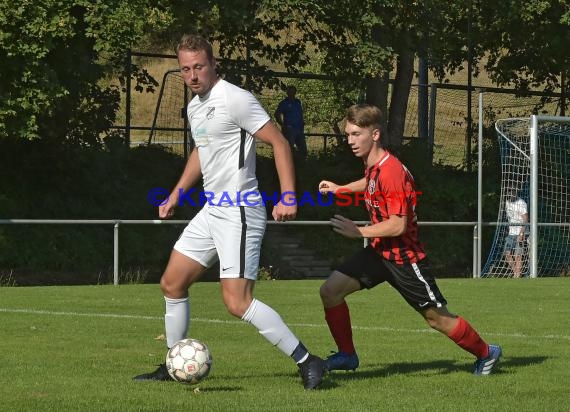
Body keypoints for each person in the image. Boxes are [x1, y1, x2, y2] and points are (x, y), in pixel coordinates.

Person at [133, 34, 325, 390]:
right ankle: (174, 362)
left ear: (213, 64)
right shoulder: (194, 106)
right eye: (185, 69)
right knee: (172, 284)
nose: (192, 75)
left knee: (237, 302)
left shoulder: (235, 99)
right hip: (212, 210)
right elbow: (201, 153)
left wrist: (288, 196)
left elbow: (280, 143)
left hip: (239, 210)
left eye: (199, 67)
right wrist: (176, 194)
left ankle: (307, 361)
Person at [317, 104, 502, 376]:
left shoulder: (391, 171)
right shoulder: (373, 165)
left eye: (357, 134)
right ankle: (347, 355)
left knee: (437, 319)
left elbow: (398, 224)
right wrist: (341, 189)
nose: (350, 141)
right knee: (330, 291)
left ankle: (487, 353)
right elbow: (369, 183)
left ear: (375, 134)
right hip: (380, 253)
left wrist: (360, 232)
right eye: (348, 134)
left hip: (404, 257)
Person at [274, 85, 307, 157]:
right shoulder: (284, 103)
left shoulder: (298, 102)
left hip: (299, 129)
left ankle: (302, 165)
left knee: (303, 150)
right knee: (289, 150)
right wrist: (283, 125)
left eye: (293, 91)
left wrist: (302, 123)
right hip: (290, 129)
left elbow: (300, 113)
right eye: (289, 91)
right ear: (287, 92)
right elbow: (277, 114)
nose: (291, 93)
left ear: (295, 92)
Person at [504, 189, 529, 278]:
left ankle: (517, 276)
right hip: (511, 232)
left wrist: (521, 234)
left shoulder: (521, 203)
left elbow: (526, 219)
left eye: (512, 191)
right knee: (507, 254)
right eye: (509, 191)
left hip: (520, 232)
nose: (510, 193)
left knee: (518, 255)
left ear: (515, 192)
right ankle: (515, 272)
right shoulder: (507, 202)